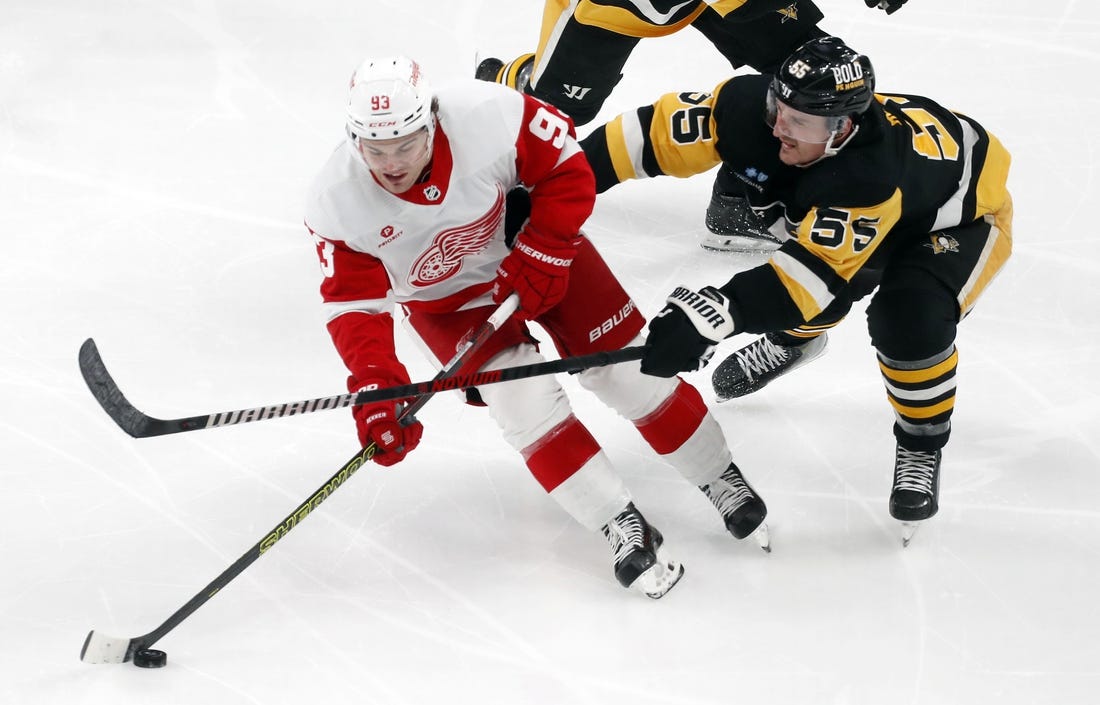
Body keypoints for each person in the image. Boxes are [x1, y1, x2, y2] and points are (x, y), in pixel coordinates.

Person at [303, 56, 769, 599]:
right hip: (446, 304)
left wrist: (547, 248)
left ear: (431, 120)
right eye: (375, 150)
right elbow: (354, 308)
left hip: (535, 247)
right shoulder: (336, 201)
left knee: (628, 371)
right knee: (523, 402)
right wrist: (379, 386)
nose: (392, 164)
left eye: (405, 145)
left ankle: (717, 474)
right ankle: (617, 519)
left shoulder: (486, 112)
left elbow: (567, 163)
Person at [581, 37, 1012, 540]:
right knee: (803, 277)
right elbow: (643, 137)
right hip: (868, 211)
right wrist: (556, 189)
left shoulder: (868, 175)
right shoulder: (748, 107)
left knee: (907, 321)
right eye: (777, 107)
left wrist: (717, 315)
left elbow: (810, 279)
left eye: (798, 121)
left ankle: (921, 441)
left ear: (842, 129)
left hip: (956, 224)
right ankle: (796, 341)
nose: (778, 127)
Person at [475, 0, 911, 251]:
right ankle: (516, 80)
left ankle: (741, 199)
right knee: (554, 113)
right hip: (609, 11)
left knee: (809, 74)